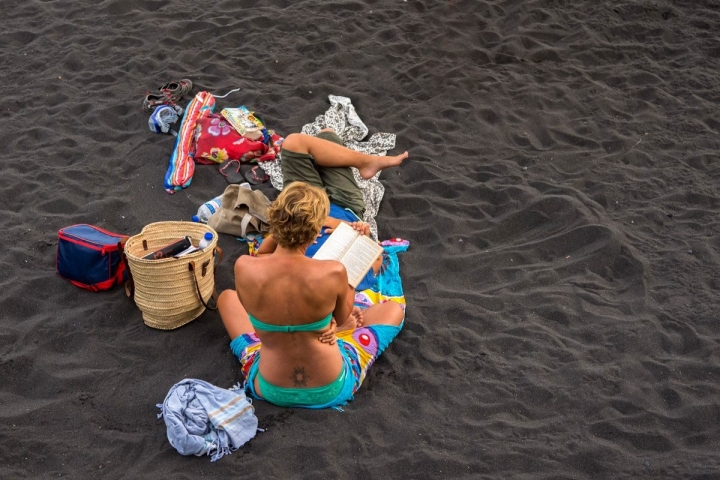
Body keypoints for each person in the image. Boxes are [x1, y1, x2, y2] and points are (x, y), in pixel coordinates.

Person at [218, 182, 405, 409]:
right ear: (316, 230)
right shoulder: (332, 271)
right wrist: (359, 246)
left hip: (270, 387)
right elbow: (344, 315)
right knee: (393, 310)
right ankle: (330, 332)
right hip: (329, 387)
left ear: (277, 222)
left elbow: (265, 254)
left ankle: (320, 329)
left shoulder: (244, 266)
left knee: (227, 297)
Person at [257, 128, 408, 288]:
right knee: (327, 135)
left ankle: (361, 161)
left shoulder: (281, 265)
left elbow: (263, 253)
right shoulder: (335, 276)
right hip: (344, 206)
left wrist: (292, 228)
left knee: (297, 142)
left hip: (302, 202)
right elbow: (377, 259)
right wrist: (351, 230)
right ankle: (364, 162)